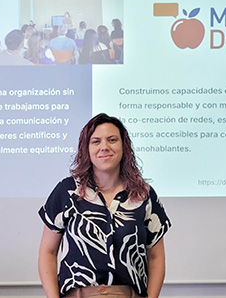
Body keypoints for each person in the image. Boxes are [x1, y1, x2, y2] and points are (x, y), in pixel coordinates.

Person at [38, 113, 169, 298]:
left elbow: (156, 256)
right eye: (96, 141)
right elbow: (48, 251)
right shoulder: (67, 191)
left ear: (124, 146)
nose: (104, 147)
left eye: (112, 140)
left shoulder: (143, 194)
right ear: (86, 149)